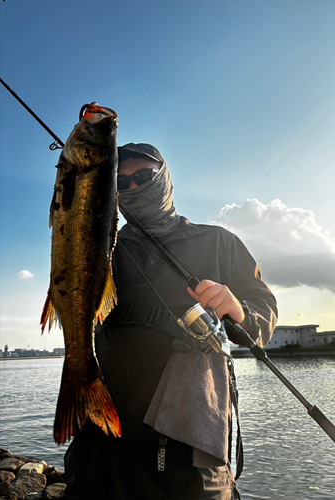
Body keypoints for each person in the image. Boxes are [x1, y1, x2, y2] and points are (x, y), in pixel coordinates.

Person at [64, 143, 278, 500]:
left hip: (193, 437)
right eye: (121, 182)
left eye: (144, 177)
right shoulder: (102, 246)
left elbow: (264, 309)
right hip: (104, 435)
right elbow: (72, 296)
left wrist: (239, 310)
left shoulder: (220, 242)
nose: (132, 187)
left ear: (164, 178)